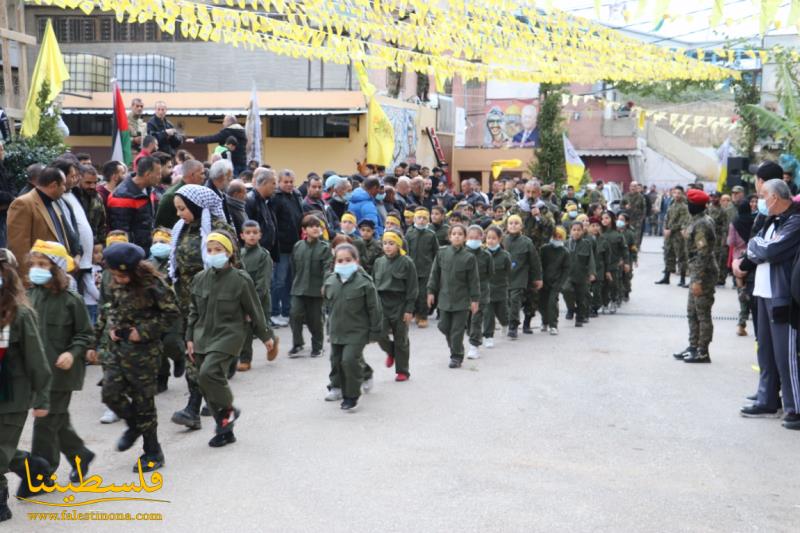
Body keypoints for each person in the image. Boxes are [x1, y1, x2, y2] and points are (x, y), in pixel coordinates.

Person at [90, 242, 178, 472]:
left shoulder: (153, 284)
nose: (118, 279)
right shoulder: (110, 279)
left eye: (123, 275)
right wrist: (95, 340)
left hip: (143, 353)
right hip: (115, 349)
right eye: (115, 274)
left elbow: (171, 313)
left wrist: (143, 331)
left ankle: (152, 451)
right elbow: (105, 309)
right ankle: (134, 425)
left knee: (143, 401)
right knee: (110, 393)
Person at [187, 231, 274, 445]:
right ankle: (224, 430)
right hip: (202, 336)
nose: (213, 254)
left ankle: (229, 410)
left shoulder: (240, 279)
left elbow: (255, 310)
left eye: (218, 250)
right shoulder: (199, 279)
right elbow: (193, 311)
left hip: (229, 334)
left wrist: (266, 336)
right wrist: (189, 337)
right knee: (204, 382)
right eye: (210, 250)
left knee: (209, 372)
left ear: (229, 253)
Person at [26, 241, 94, 486]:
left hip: (62, 372)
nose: (36, 269)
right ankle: (80, 455)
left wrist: (73, 353)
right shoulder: (28, 296)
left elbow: (85, 333)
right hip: (35, 372)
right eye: (33, 264)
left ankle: (40, 475)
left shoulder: (70, 300)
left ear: (56, 268)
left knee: (45, 422)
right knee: (56, 419)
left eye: (42, 264)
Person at [735, 178, 800, 428]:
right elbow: (756, 246)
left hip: (782, 296)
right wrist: (754, 249)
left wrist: (755, 248)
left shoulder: (794, 222)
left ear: (774, 198)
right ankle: (767, 400)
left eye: (762, 195)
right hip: (763, 293)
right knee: (766, 351)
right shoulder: (771, 221)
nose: (759, 201)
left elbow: (770, 250)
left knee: (787, 356)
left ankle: (795, 407)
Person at [168, 185, 233, 431]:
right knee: (194, 351)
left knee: (200, 355)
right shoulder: (181, 229)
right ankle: (211, 402)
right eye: (177, 209)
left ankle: (194, 408)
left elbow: (233, 266)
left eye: (183, 209)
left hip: (212, 302)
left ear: (196, 207)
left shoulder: (218, 230)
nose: (179, 214)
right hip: (187, 302)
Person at [0, 249, 52, 519]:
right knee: (3, 447)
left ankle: (1, 505)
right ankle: (35, 468)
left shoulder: (21, 314)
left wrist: (42, 398)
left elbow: (37, 360)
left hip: (12, 395)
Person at [322, 243, 382, 411]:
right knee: (336, 360)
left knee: (349, 360)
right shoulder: (330, 281)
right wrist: (328, 328)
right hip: (337, 330)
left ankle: (351, 396)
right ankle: (341, 385)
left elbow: (374, 308)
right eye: (340, 260)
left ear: (356, 261)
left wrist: (375, 331)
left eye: (348, 260)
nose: (344, 263)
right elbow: (328, 307)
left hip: (357, 330)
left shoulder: (364, 283)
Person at [672, 189, 718, 364]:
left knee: (702, 313)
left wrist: (698, 279)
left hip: (703, 274)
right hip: (697, 272)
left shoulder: (702, 224)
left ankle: (703, 351)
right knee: (692, 311)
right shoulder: (697, 220)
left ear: (695, 205)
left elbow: (703, 253)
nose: (687, 206)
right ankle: (693, 346)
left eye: (689, 203)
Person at [427, 224, 480, 368]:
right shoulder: (442, 253)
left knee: (457, 330)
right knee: (443, 326)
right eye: (454, 234)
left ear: (465, 238)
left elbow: (474, 281)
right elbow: (435, 274)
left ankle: (456, 356)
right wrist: (431, 291)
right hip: (445, 298)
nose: (456, 236)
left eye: (460, 234)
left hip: (461, 301)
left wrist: (474, 299)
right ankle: (455, 348)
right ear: (449, 236)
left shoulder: (469, 257)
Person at [6, 166, 71, 278]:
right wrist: (28, 280)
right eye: (63, 184)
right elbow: (19, 248)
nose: (65, 189)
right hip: (37, 280)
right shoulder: (23, 203)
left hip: (56, 277)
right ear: (54, 185)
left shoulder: (53, 202)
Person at [373, 230, 417, 381]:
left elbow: (412, 288)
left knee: (401, 338)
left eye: (391, 243)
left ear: (398, 245)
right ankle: (391, 351)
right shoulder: (379, 262)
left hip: (400, 304)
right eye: (385, 243)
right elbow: (373, 286)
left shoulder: (407, 262)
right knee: (378, 333)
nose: (387, 247)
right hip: (382, 304)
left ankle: (403, 370)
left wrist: (409, 309)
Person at [147, 227, 185, 393]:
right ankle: (162, 378)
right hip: (154, 311)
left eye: (163, 242)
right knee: (157, 346)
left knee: (171, 341)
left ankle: (179, 357)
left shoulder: (178, 261)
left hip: (174, 310)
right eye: (155, 242)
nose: (158, 245)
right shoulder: (148, 264)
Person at [288, 215, 331, 357]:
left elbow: (327, 268)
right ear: (304, 230)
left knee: (315, 320)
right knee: (295, 314)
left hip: (316, 289)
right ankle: (297, 343)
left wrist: (325, 284)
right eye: (312, 226)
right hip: (298, 288)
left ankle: (317, 346)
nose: (315, 228)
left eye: (318, 226)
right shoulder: (298, 246)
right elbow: (293, 267)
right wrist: (294, 283)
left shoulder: (325, 248)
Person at [238, 220, 275, 371]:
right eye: (248, 233)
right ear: (242, 235)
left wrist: (253, 303)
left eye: (255, 233)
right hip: (242, 298)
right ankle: (245, 359)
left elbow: (263, 282)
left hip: (259, 298)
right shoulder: (239, 254)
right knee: (244, 328)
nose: (251, 236)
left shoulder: (263, 255)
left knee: (261, 325)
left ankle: (271, 340)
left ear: (260, 235)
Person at [271, 170, 304, 326]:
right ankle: (275, 312)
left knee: (290, 280)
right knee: (279, 280)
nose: (289, 184)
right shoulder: (276, 199)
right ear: (279, 182)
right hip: (281, 247)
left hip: (295, 245)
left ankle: (287, 310)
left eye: (291, 182)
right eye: (286, 182)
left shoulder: (296, 196)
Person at [107, 156, 161, 250]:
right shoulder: (122, 195)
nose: (160, 177)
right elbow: (121, 234)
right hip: (132, 254)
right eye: (158, 174)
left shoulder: (149, 189)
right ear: (148, 174)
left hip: (146, 249)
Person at [502, 214, 542, 339]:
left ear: (521, 226)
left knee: (516, 301)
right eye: (511, 223)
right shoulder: (503, 240)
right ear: (507, 226)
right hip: (505, 278)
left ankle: (514, 326)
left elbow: (535, 262)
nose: (513, 225)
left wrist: (538, 278)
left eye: (516, 223)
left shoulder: (527, 242)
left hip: (521, 277)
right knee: (508, 302)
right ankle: (510, 322)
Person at [406, 207, 439, 328]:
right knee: (412, 293)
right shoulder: (409, 233)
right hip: (412, 269)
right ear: (414, 219)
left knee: (424, 294)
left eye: (424, 218)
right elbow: (405, 251)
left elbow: (436, 252)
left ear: (428, 220)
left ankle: (423, 316)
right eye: (419, 217)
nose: (421, 220)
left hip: (426, 269)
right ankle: (415, 313)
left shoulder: (431, 235)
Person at [728, 195, 757, 336]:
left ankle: (741, 323)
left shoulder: (734, 223)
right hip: (751, 259)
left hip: (737, 260)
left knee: (742, 291)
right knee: (752, 290)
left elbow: (731, 242)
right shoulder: (755, 221)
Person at [465, 225, 493, 359]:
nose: (473, 240)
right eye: (470, 238)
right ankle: (471, 335)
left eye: (476, 238)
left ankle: (474, 346)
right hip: (464, 293)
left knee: (476, 319)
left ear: (482, 238)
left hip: (481, 292)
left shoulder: (486, 255)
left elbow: (490, 273)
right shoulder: (462, 253)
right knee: (467, 321)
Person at [155, 159, 205, 229]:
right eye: (202, 173)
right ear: (192, 175)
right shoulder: (170, 196)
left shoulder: (199, 192)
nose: (204, 177)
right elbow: (159, 226)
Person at [655, 186, 690, 286]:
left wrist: (671, 229)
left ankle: (682, 279)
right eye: (675, 193)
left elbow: (683, 221)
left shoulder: (684, 206)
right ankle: (666, 277)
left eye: (679, 193)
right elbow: (666, 217)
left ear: (683, 194)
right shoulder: (671, 204)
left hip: (678, 235)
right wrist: (665, 228)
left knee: (681, 256)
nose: (677, 195)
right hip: (669, 234)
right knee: (668, 254)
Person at [562, 223, 595, 328]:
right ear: (570, 231)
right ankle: (571, 308)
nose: (576, 232)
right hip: (568, 275)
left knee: (581, 298)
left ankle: (579, 318)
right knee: (566, 290)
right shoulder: (565, 244)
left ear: (582, 231)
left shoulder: (586, 244)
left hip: (582, 275)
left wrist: (592, 273)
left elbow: (591, 260)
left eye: (579, 230)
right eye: (574, 229)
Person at [482, 226, 511, 346]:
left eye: (494, 238)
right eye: (488, 238)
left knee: (502, 313)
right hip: (486, 291)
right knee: (488, 315)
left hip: (500, 290)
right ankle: (488, 337)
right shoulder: (482, 254)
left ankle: (505, 324)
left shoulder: (505, 255)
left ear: (499, 239)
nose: (490, 241)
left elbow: (509, 271)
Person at [539, 226, 570, 334]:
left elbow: (566, 269)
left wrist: (561, 283)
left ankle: (553, 325)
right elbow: (539, 265)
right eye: (555, 236)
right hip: (543, 282)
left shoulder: (565, 252)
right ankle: (545, 321)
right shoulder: (544, 249)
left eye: (559, 237)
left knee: (552, 303)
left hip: (556, 282)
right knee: (542, 303)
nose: (557, 238)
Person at [75, 165, 107, 246]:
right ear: (79, 179)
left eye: (95, 183)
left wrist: (101, 244)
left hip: (94, 244)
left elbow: (102, 224)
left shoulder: (97, 198)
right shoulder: (72, 198)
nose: (92, 186)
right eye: (88, 183)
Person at [617, 213, 637, 302]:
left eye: (622, 220)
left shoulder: (630, 233)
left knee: (627, 276)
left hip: (627, 258)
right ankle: (619, 293)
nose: (619, 222)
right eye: (618, 219)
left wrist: (635, 259)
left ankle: (626, 292)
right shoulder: (615, 231)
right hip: (617, 257)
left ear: (627, 222)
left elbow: (633, 247)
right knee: (618, 276)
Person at [0, 141, 14, 248]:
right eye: (0, 149)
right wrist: (10, 198)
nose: (2, 152)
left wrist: (11, 198)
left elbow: (13, 189)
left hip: (5, 215)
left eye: (2, 149)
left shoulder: (4, 168)